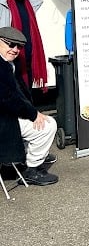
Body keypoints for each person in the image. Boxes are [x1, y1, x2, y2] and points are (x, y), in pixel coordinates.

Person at [0, 26, 58, 186]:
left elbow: (17, 95)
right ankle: (32, 168)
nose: (15, 49)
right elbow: (8, 99)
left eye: (19, 46)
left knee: (40, 120)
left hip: (7, 114)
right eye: (10, 44)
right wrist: (33, 114)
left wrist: (32, 111)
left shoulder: (8, 63)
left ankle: (27, 157)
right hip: (4, 121)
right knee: (48, 126)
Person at [1, 0, 47, 91]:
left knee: (26, 95)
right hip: (6, 62)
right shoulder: (1, 4)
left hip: (27, 62)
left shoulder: (30, 4)